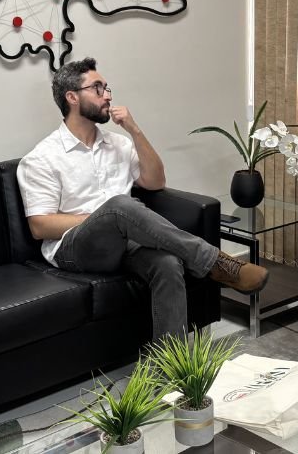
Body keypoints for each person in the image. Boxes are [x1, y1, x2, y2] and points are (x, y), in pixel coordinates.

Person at [18, 57, 269, 341]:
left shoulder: (119, 143)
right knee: (119, 207)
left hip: (124, 242)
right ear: (72, 97)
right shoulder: (43, 157)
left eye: (107, 88)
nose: (107, 96)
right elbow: (40, 225)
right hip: (73, 249)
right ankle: (216, 263)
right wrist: (105, 219)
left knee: (168, 264)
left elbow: (155, 182)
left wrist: (134, 130)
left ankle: (170, 362)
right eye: (97, 88)